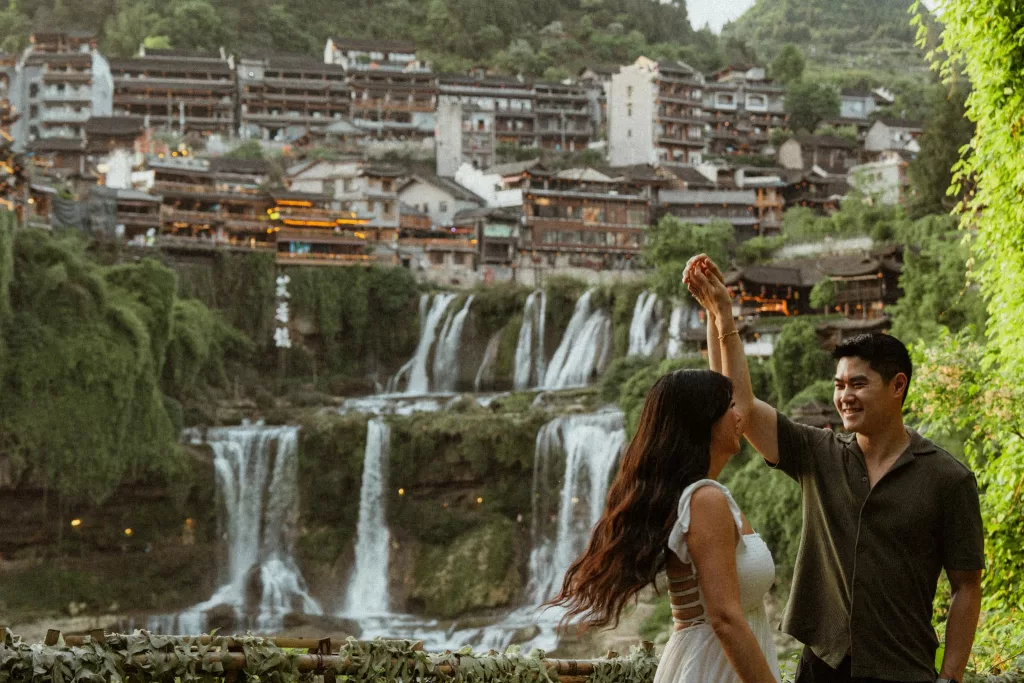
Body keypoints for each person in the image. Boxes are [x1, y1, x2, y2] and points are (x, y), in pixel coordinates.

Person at [683, 254, 984, 683]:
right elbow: (742, 412)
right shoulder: (818, 452)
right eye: (839, 385)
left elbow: (966, 586)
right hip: (820, 667)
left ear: (898, 386)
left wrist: (951, 677)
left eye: (859, 384)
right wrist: (721, 317)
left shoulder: (948, 478)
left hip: (904, 670)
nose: (845, 397)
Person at [546, 365, 781, 683]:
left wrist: (722, 323)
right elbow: (724, 618)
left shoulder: (700, 497)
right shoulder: (704, 499)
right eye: (728, 408)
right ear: (704, 421)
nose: (739, 416)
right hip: (713, 671)